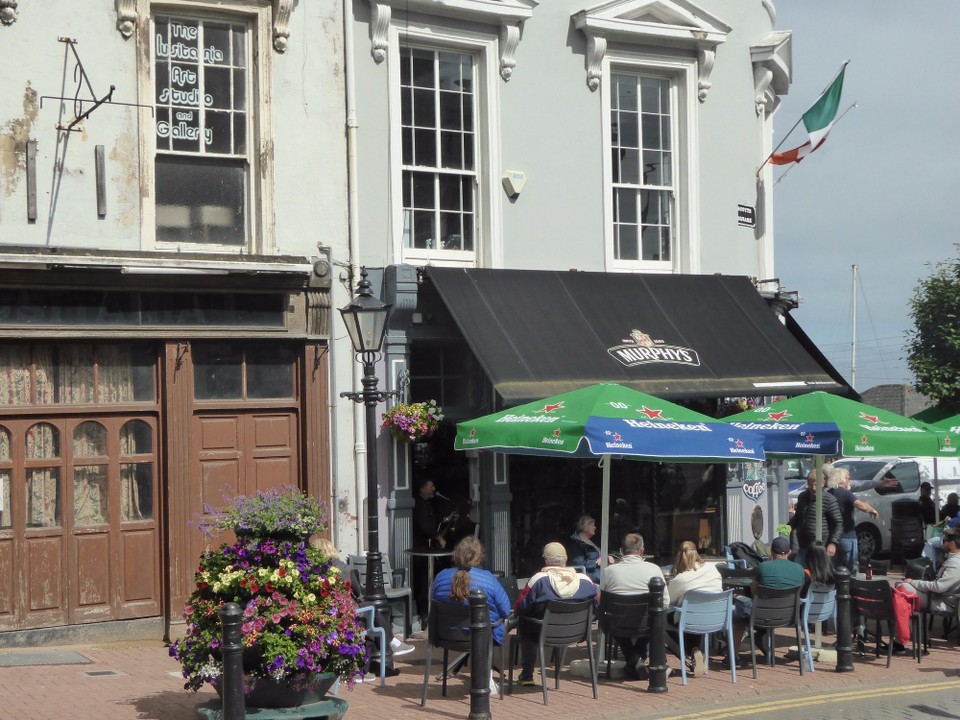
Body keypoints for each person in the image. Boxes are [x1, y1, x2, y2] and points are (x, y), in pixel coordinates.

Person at [310, 537, 414, 678]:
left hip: (326, 614)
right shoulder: (343, 568)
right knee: (371, 613)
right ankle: (390, 646)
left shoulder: (313, 572)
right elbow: (358, 592)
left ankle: (370, 667)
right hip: (346, 612)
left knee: (371, 621)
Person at [431, 537, 511, 695]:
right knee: (495, 623)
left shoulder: (441, 577)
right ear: (479, 556)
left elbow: (432, 603)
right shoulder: (488, 578)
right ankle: (486, 678)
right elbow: (506, 610)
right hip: (482, 636)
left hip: (447, 635)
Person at [514, 541, 597, 687]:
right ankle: (557, 675)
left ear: (546, 561)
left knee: (524, 623)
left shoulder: (539, 580)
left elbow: (521, 607)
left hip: (543, 632)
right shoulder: (585, 581)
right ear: (565, 559)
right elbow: (596, 605)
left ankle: (527, 675)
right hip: (576, 634)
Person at [599, 533, 670, 680]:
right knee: (654, 622)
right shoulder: (654, 570)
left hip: (617, 625)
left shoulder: (608, 571)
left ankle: (634, 660)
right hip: (646, 624)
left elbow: (602, 599)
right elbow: (665, 601)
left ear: (621, 551)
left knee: (613, 623)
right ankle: (637, 660)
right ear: (642, 551)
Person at [732, 536, 806, 653]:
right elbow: (798, 591)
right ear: (790, 552)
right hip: (789, 616)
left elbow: (754, 592)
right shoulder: (799, 569)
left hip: (761, 615)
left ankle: (733, 656)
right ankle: (760, 638)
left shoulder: (763, 567)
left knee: (737, 614)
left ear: (771, 551)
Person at [668, 540, 722, 677]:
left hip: (690, 620)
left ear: (679, 556)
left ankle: (690, 651)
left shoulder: (680, 579)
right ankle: (695, 650)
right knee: (695, 614)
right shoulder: (713, 569)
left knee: (661, 621)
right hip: (715, 620)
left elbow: (668, 600)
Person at [412, 477, 458, 621]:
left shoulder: (427, 504)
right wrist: (438, 537)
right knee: (424, 580)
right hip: (421, 548)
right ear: (422, 488)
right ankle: (424, 613)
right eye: (430, 485)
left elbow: (432, 524)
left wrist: (448, 519)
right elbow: (425, 526)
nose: (433, 489)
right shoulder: (419, 505)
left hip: (427, 546)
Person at [826, 465, 879, 573]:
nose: (850, 480)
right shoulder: (846, 494)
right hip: (847, 536)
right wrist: (871, 509)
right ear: (841, 479)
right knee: (851, 571)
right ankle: (849, 589)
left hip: (832, 538)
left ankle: (836, 589)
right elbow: (861, 506)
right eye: (848, 478)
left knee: (834, 570)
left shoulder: (828, 493)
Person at [789, 467, 843, 566]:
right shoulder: (802, 497)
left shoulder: (829, 500)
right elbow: (798, 517)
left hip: (820, 546)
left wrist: (833, 543)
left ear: (822, 483)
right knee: (801, 572)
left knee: (819, 574)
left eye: (816, 485)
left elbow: (838, 523)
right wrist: (788, 527)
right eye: (810, 485)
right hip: (803, 544)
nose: (813, 488)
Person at [902, 526, 960, 612]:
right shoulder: (953, 560)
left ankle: (903, 624)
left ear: (952, 543)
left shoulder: (955, 563)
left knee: (902, 588)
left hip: (944, 603)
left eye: (944, 541)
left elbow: (939, 587)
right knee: (904, 589)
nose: (942, 543)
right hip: (944, 599)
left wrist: (913, 582)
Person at [568, 514, 604, 583]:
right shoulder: (576, 544)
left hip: (599, 573)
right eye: (592, 525)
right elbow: (579, 566)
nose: (595, 527)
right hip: (591, 577)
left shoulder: (592, 542)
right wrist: (597, 562)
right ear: (585, 526)